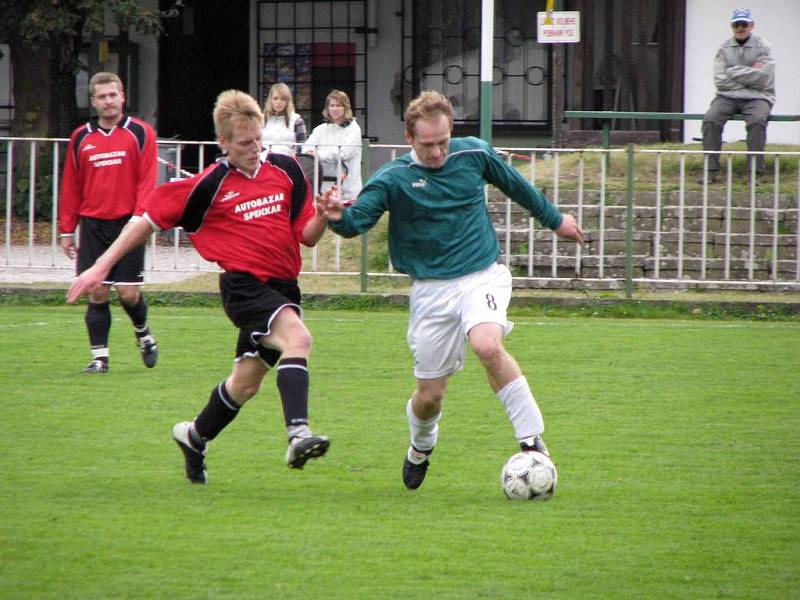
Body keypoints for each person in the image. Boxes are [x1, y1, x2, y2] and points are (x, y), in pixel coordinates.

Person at [320, 90, 584, 491]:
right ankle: (421, 447)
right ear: (409, 139)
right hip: (430, 292)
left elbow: (517, 186)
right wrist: (338, 217)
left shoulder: (473, 155)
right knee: (429, 396)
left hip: (482, 275)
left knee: (487, 345)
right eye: (428, 145)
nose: (439, 151)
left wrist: (555, 220)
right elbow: (357, 221)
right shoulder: (393, 179)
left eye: (443, 141)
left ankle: (532, 443)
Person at [67, 90, 331, 484]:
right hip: (244, 288)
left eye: (258, 139)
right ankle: (298, 434)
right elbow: (144, 223)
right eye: (244, 144)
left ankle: (193, 436)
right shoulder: (208, 185)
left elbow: (306, 237)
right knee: (299, 339)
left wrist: (325, 216)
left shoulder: (288, 170)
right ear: (223, 143)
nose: (255, 149)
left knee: (245, 384)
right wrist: (97, 267)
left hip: (283, 288)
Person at [59, 71, 158, 375]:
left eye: (113, 95)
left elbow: (147, 180)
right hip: (93, 225)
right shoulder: (81, 137)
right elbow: (71, 184)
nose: (108, 101)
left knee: (128, 293)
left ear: (123, 96)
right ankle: (100, 359)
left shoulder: (140, 133)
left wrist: (141, 218)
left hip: (128, 225)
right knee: (98, 290)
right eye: (102, 97)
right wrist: (66, 228)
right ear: (93, 101)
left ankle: (143, 333)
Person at [700, 8, 775, 183]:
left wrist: (733, 71)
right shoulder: (723, 48)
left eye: (744, 24)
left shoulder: (763, 47)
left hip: (759, 96)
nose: (740, 28)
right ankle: (710, 170)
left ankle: (754, 172)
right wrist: (749, 74)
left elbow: (764, 77)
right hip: (727, 96)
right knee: (710, 119)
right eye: (736, 24)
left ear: (752, 25)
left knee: (757, 121)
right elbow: (720, 80)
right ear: (732, 26)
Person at [302, 89, 362, 203]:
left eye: (339, 105)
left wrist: (318, 155)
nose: (335, 109)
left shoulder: (354, 129)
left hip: (346, 188)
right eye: (332, 105)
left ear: (345, 107)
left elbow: (344, 153)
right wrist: (313, 154)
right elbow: (306, 149)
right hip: (323, 188)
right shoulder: (321, 129)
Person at [262, 82, 307, 155]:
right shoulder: (262, 119)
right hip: (264, 160)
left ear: (288, 101)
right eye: (275, 98)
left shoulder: (297, 121)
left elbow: (302, 147)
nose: (278, 102)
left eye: (282, 99)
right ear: (270, 100)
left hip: (287, 160)